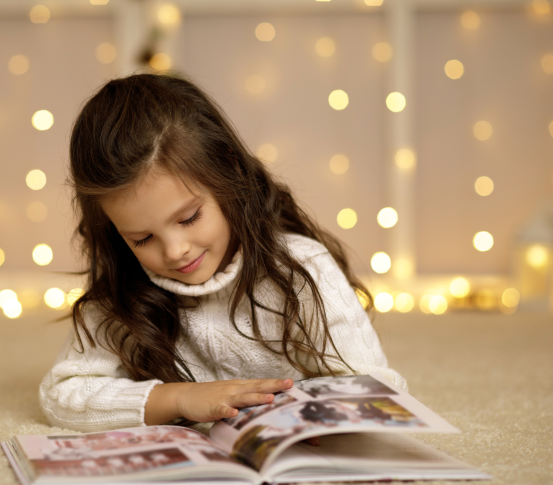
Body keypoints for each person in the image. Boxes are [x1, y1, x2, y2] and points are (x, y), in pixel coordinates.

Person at [40, 73, 407, 433]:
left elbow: (379, 386)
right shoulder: (124, 290)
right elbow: (62, 394)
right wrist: (180, 398)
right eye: (141, 239)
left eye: (189, 218)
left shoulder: (301, 268)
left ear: (227, 169)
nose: (175, 251)